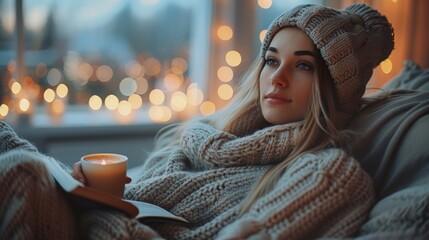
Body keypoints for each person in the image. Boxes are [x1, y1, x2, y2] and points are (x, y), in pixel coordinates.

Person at [0, 3, 394, 240]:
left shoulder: (329, 175)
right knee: (17, 157)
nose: (278, 77)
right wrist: (91, 193)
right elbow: (139, 198)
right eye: (272, 60)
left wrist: (98, 213)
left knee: (19, 169)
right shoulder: (205, 139)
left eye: (303, 66)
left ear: (332, 90)